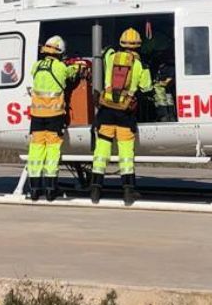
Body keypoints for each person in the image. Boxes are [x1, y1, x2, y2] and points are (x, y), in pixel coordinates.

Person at [90, 27, 153, 205]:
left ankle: (95, 191)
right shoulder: (140, 64)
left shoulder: (111, 57)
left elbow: (104, 55)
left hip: (107, 110)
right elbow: (146, 87)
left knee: (101, 152)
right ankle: (128, 193)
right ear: (139, 45)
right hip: (125, 112)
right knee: (126, 154)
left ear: (121, 43)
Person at [26, 35, 83, 202]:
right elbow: (71, 74)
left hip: (37, 116)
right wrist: (77, 66)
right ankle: (51, 189)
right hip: (54, 116)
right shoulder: (60, 67)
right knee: (52, 151)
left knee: (36, 151)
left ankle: (35, 189)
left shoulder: (36, 66)